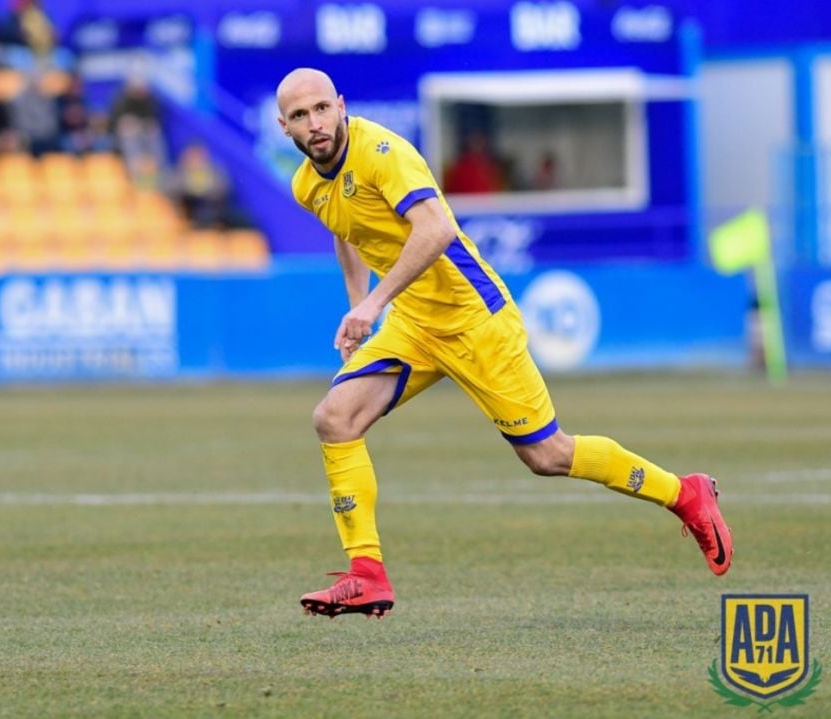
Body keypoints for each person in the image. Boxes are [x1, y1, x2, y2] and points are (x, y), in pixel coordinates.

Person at [275, 68, 734, 620]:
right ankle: (367, 574)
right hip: (415, 324)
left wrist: (374, 304)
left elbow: (436, 229)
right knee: (334, 419)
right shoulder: (306, 183)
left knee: (547, 455)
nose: (315, 123)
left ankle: (685, 494)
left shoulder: (381, 152)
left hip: (475, 320)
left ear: (341, 105)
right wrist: (360, 307)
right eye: (301, 116)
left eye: (322, 108)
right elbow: (345, 230)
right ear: (284, 127)